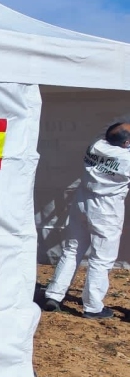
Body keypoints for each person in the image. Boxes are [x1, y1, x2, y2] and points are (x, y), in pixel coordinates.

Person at [43, 122, 130, 319]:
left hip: (82, 202)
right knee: (101, 259)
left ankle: (54, 294)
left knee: (72, 249)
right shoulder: (127, 159)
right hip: (106, 210)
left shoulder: (96, 144)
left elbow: (110, 134)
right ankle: (93, 307)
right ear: (125, 143)